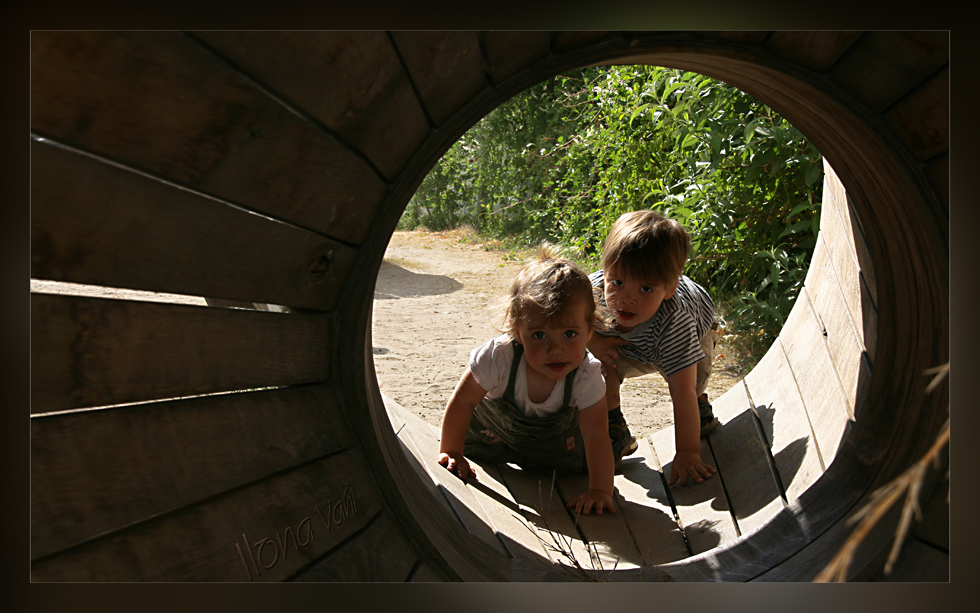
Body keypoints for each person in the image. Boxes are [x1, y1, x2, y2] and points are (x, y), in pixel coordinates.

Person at [438, 244, 616, 515]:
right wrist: (451, 451)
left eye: (569, 334)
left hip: (552, 455)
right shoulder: (499, 356)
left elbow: (596, 435)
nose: (555, 350)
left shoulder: (586, 374)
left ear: (589, 330)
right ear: (517, 331)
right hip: (491, 440)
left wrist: (601, 490)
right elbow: (463, 402)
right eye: (539, 335)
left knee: (579, 459)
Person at [588, 210, 720, 486]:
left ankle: (700, 409)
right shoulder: (593, 294)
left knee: (690, 387)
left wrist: (687, 452)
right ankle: (616, 429)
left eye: (646, 289)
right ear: (605, 270)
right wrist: (596, 342)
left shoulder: (675, 322)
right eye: (618, 282)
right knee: (594, 368)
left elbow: (680, 390)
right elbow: (573, 328)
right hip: (623, 345)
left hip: (692, 335)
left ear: (669, 289)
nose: (627, 299)